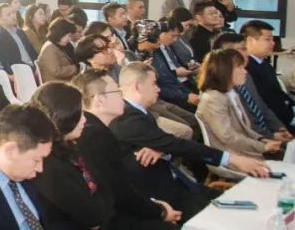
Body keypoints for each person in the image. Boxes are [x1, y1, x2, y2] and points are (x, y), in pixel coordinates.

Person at [109, 62, 268, 218]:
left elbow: (165, 144)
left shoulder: (139, 112)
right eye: (153, 84)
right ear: (137, 86)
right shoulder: (127, 117)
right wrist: (232, 159)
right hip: (161, 194)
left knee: (238, 202)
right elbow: (175, 144)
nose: (158, 89)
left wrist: (161, 149)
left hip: (175, 181)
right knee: (229, 215)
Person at [30, 83, 149, 230]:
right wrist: (100, 207)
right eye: (79, 115)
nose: (85, 119)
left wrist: (100, 206)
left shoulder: (71, 146)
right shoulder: (48, 165)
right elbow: (92, 214)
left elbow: (105, 191)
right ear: (63, 119)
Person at [72, 70, 181, 230]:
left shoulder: (95, 130)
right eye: (117, 91)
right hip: (114, 228)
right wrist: (159, 211)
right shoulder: (96, 135)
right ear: (99, 100)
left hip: (122, 213)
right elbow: (118, 192)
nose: (122, 96)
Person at [196, 49, 283, 158]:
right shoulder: (213, 99)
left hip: (245, 149)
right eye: (240, 67)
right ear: (225, 71)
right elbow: (228, 137)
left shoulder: (231, 93)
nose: (245, 71)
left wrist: (263, 141)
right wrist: (263, 147)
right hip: (233, 156)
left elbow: (245, 130)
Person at [241, 20, 294, 125]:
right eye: (267, 39)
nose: (273, 43)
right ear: (250, 40)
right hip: (273, 122)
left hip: (285, 114)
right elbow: (263, 103)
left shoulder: (264, 63)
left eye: (273, 39)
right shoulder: (246, 68)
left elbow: (277, 93)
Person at [0, 3, 37, 72]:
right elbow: (10, 60)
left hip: (33, 67)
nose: (13, 16)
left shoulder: (20, 31)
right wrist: (32, 69)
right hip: (19, 71)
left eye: (13, 13)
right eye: (8, 14)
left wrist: (37, 65)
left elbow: (31, 51)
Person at [36, 17, 79, 83]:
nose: (69, 39)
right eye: (69, 35)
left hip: (61, 81)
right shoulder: (50, 48)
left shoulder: (57, 46)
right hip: (56, 84)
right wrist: (76, 68)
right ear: (61, 33)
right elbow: (56, 71)